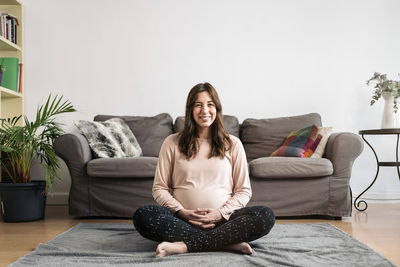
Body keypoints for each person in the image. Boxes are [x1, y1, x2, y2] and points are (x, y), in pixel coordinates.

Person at [133, 82, 275, 257]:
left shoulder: (232, 144)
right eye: (198, 105)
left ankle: (184, 245)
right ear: (190, 110)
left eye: (210, 104)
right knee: (144, 215)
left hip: (224, 221)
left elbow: (243, 190)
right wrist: (182, 212)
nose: (205, 110)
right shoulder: (171, 142)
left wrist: (219, 213)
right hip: (181, 221)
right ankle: (225, 244)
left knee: (265, 215)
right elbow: (159, 188)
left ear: (217, 108)